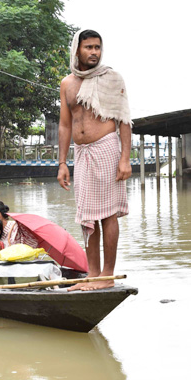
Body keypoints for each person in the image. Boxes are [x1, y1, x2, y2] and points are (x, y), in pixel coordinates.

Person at [57, 29, 132, 290]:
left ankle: (107, 276)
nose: (94, 52)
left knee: (108, 214)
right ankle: (93, 273)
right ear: (77, 50)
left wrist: (125, 158)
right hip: (82, 154)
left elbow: (124, 120)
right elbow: (65, 125)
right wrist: (62, 162)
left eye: (97, 47)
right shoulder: (67, 83)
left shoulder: (111, 78)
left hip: (107, 149)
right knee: (87, 215)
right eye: (88, 47)